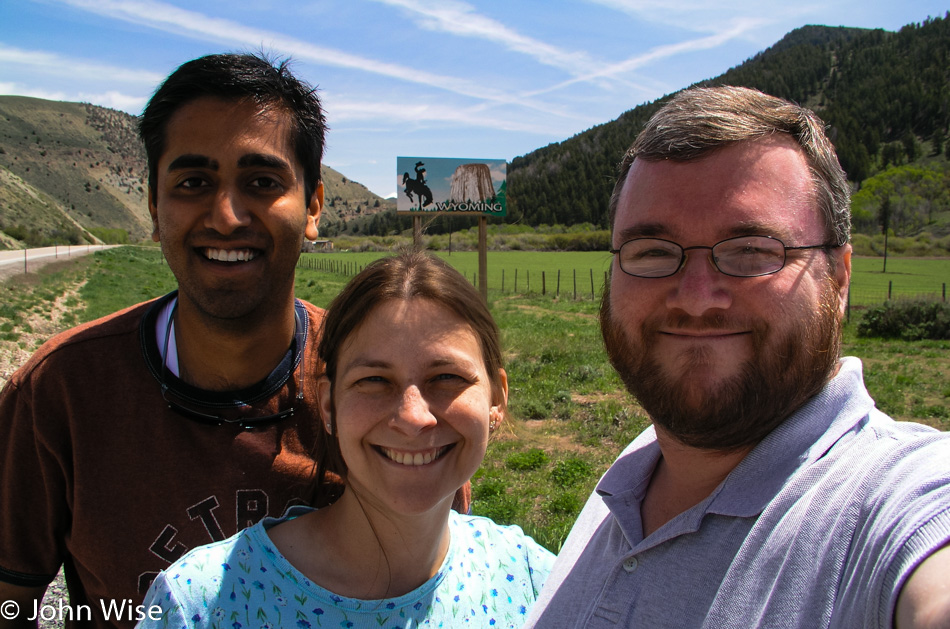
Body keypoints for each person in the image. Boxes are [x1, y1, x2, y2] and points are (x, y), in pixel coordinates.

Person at [525, 86, 950, 629]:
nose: (698, 298)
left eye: (752, 250)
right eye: (652, 252)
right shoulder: (637, 468)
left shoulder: (892, 503)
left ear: (839, 279)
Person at [0, 53, 330, 628]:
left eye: (262, 182)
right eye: (194, 182)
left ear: (313, 207)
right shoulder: (61, 391)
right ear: (155, 207)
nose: (226, 217)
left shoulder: (380, 382)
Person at [137, 251, 555, 629]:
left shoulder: (537, 583)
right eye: (374, 381)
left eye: (446, 377)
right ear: (329, 406)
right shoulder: (199, 606)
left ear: (497, 398)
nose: (413, 418)